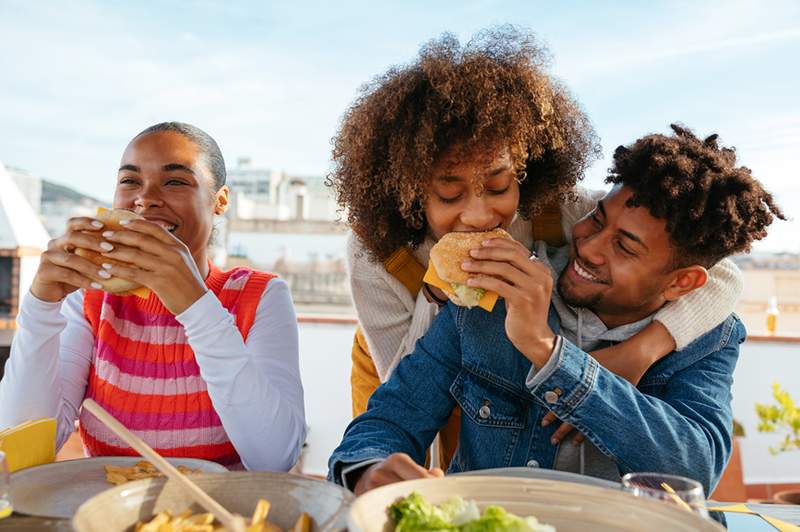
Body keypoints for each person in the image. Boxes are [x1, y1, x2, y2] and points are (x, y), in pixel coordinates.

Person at [327, 27, 742, 465]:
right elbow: (406, 396)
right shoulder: (376, 255)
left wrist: (640, 350)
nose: (480, 216)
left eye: (499, 186)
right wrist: (442, 291)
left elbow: (714, 270)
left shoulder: (560, 208)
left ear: (523, 172)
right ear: (407, 190)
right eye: (450, 195)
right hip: (409, 357)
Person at [329, 124, 784, 495]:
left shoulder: (706, 337)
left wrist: (550, 354)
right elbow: (390, 416)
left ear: (682, 282)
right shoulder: (492, 298)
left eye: (624, 248)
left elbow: (694, 467)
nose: (588, 246)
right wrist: (367, 470)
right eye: (598, 220)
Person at [0, 122, 305, 471]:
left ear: (219, 201)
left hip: (221, 516)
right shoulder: (90, 301)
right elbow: (22, 451)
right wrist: (40, 307)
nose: (145, 198)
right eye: (130, 181)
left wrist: (195, 304)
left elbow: (275, 458)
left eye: (175, 181)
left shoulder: (261, 295)